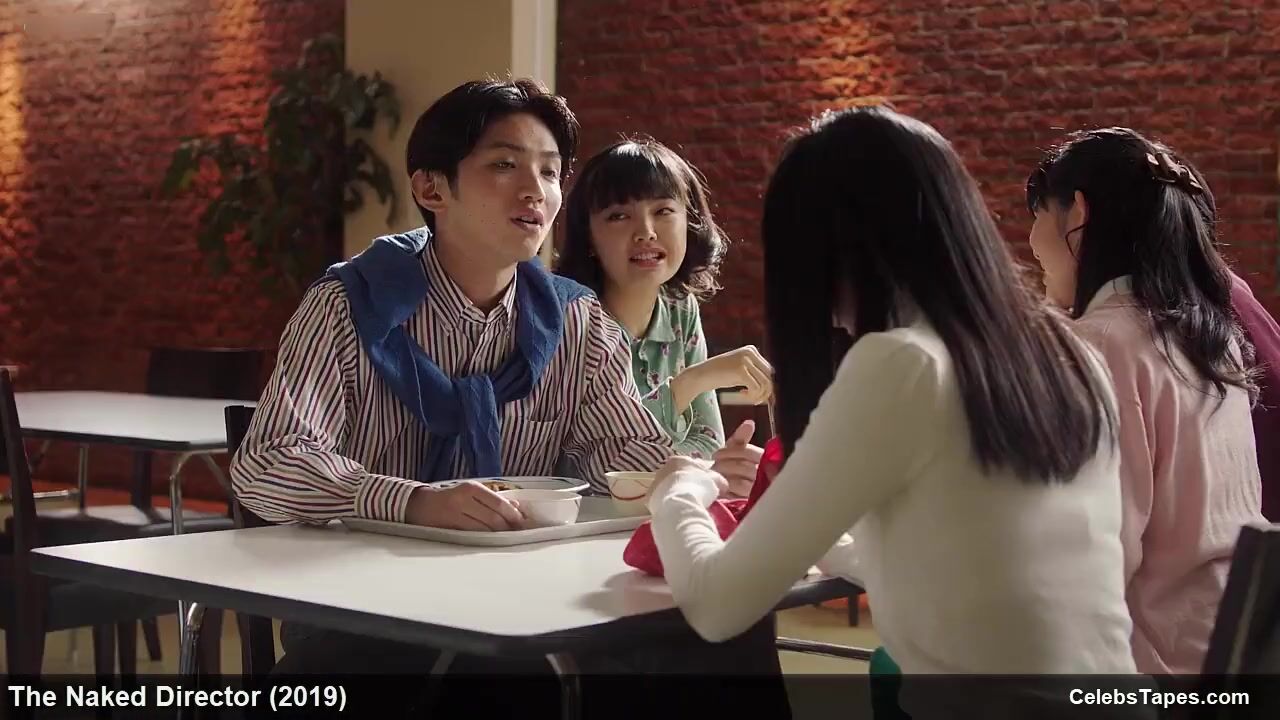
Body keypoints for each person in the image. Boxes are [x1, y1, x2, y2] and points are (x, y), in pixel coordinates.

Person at [230, 79, 786, 712]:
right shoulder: (346, 306)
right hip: (362, 606)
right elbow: (268, 462)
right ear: (431, 189)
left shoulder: (575, 321)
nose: (535, 190)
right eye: (504, 165)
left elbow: (617, 447)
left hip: (526, 594)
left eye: (549, 172)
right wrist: (413, 502)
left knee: (723, 622)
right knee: (519, 673)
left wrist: (689, 472)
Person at [644, 107, 1138, 716]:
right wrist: (832, 540)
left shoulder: (904, 363)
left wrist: (680, 490)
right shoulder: (1069, 354)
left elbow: (716, 606)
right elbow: (973, 566)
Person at [1026, 127, 1267, 674]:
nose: (1033, 239)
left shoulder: (1100, 344)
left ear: (1077, 213)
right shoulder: (1212, 337)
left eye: (1039, 214)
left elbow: (1096, 555)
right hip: (1230, 648)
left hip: (1149, 671)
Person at [557, 137, 771, 495]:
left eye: (663, 211)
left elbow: (708, 442)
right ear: (589, 237)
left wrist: (721, 469)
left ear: (690, 221)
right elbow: (603, 463)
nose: (645, 232)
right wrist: (693, 381)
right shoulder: (571, 319)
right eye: (619, 215)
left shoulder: (680, 308)